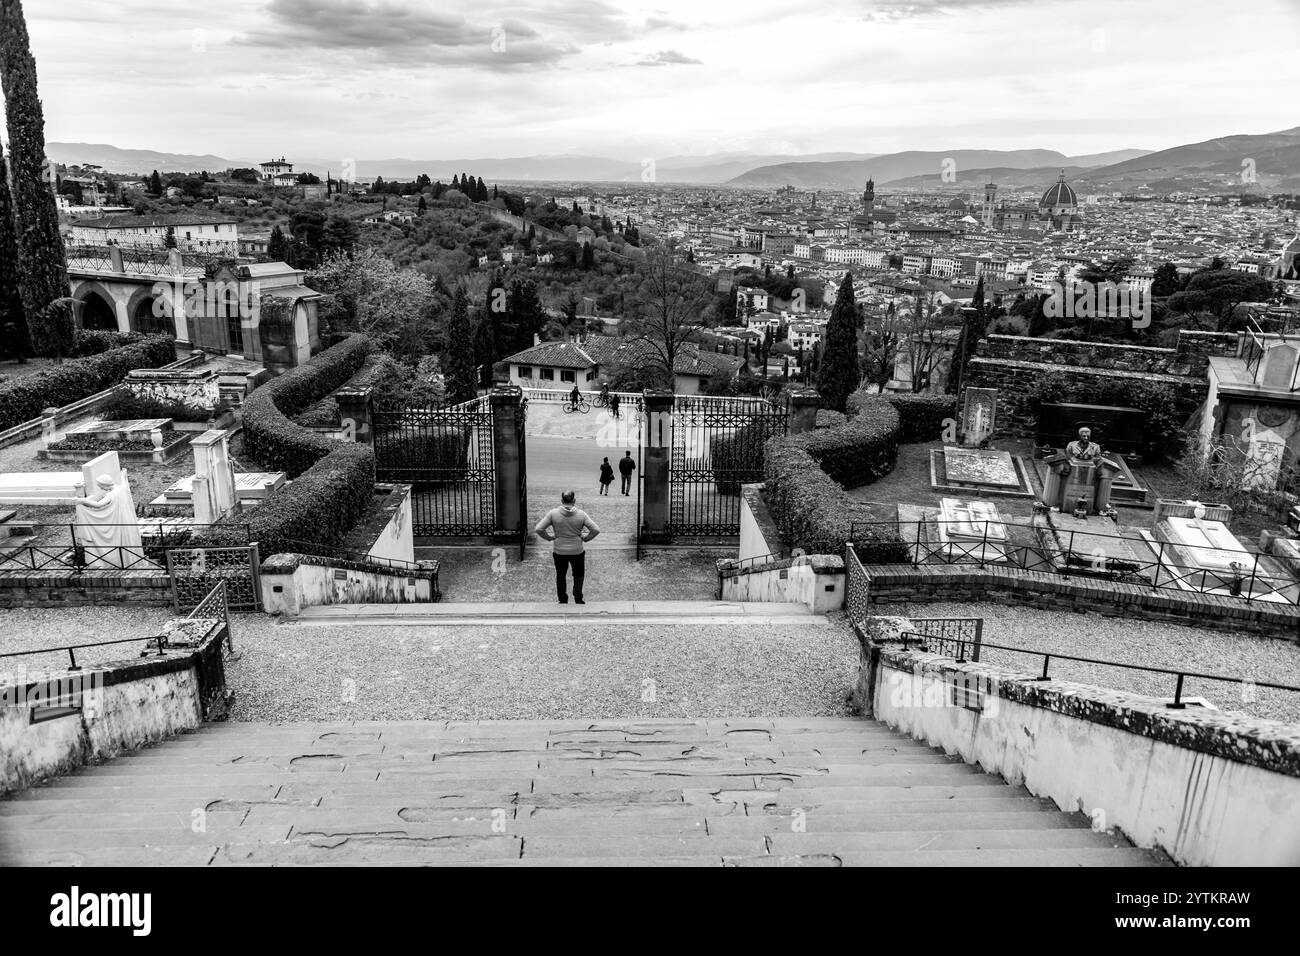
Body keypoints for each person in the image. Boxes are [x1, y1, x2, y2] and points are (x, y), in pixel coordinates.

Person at [534, 490, 600, 604]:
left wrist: (550, 538)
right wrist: (586, 538)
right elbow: (596, 530)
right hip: (577, 551)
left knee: (561, 575)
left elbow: (539, 529)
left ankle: (563, 599)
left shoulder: (553, 514)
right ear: (574, 500)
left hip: (559, 551)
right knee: (578, 574)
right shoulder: (581, 514)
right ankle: (578, 597)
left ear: (561, 500)